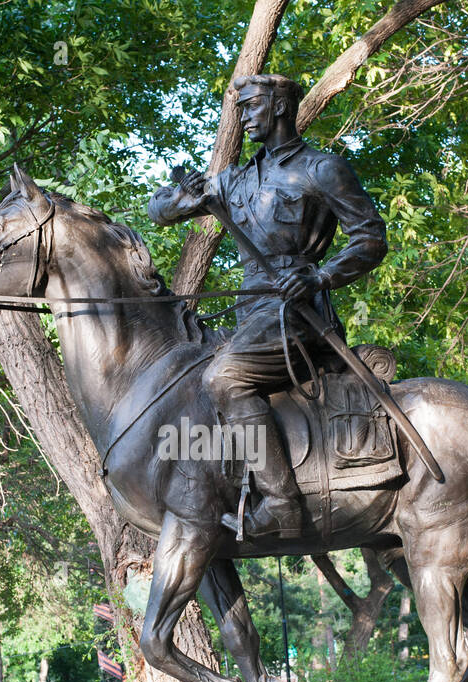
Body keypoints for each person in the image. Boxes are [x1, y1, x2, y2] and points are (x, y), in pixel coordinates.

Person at [148, 73, 388, 538]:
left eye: (251, 106)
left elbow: (371, 238)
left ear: (279, 107)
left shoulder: (322, 169)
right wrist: (182, 196)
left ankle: (282, 506)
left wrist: (321, 274)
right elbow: (158, 212)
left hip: (298, 313)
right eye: (240, 108)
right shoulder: (234, 180)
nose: (243, 116)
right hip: (251, 312)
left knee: (223, 378)